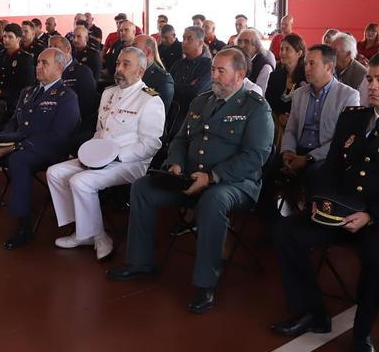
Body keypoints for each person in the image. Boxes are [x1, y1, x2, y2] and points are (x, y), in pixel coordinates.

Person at [272, 51, 379, 352]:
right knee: (287, 231)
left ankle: (362, 330)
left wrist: (371, 215)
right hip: (342, 211)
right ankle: (312, 312)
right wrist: (319, 200)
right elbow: (331, 167)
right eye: (369, 79)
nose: (372, 86)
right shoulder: (352, 118)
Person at [107, 49, 274, 314]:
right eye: (213, 70)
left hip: (233, 184)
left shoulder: (255, 108)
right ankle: (140, 262)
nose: (214, 76)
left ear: (240, 75)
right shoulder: (201, 101)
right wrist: (175, 163)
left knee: (212, 200)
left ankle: (205, 283)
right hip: (189, 176)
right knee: (143, 188)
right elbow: (181, 139)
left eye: (221, 71)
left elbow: (255, 157)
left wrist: (212, 177)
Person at [48, 48, 166, 261]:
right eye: (118, 63)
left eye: (126, 65)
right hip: (99, 157)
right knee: (54, 172)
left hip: (130, 162)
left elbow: (150, 145)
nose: (118, 69)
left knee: (80, 182)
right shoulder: (109, 93)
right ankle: (85, 232)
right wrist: (89, 157)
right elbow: (100, 132)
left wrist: (113, 157)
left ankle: (100, 237)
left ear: (140, 71)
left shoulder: (150, 100)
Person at [0, 49, 80, 249]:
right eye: (38, 62)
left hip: (45, 150)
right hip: (16, 146)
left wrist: (15, 147)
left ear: (59, 67)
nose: (38, 66)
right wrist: (2, 142)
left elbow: (59, 137)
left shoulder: (67, 97)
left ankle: (24, 226)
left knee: (18, 160)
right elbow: (13, 124)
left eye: (44, 63)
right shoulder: (28, 92)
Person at [263, 44, 361, 220]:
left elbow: (342, 140)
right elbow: (291, 128)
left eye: (312, 64)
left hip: (325, 155)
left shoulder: (348, 96)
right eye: (305, 63)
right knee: (267, 164)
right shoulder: (300, 93)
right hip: (297, 150)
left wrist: (308, 159)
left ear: (328, 67)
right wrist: (288, 152)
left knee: (315, 174)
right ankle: (270, 222)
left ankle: (310, 223)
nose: (306, 69)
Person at [168, 26, 213, 130]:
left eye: (189, 39)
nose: (184, 42)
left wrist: (176, 86)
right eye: (183, 38)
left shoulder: (208, 66)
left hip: (195, 117)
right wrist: (186, 86)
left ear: (200, 43)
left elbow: (196, 91)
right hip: (173, 114)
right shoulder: (178, 64)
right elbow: (168, 87)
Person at [49, 34, 98, 127]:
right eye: (50, 47)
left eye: (55, 47)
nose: (51, 51)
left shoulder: (82, 72)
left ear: (67, 49)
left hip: (72, 123)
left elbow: (86, 105)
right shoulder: (48, 71)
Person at [0, 23, 36, 109]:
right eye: (4, 36)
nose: (6, 40)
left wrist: (3, 92)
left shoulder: (25, 58)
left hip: (14, 102)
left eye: (10, 37)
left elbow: (27, 87)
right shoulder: (1, 55)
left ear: (18, 39)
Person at [265, 33, 306, 133]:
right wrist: (279, 116)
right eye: (281, 49)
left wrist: (291, 119)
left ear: (299, 54)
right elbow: (268, 102)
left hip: (301, 127)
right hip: (276, 125)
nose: (282, 52)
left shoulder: (306, 77)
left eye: (287, 49)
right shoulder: (275, 76)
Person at [133, 34, 175, 114]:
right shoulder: (131, 72)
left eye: (134, 48)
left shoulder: (162, 79)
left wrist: (138, 86)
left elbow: (159, 109)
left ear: (147, 52)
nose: (130, 51)